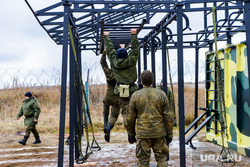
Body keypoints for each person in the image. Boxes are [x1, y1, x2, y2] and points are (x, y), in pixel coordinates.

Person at [127, 70, 174, 167]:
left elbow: (130, 118)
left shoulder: (136, 95)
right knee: (162, 159)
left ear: (141, 81)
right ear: (152, 80)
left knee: (143, 161)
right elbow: (169, 116)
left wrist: (131, 133)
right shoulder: (161, 94)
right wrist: (169, 134)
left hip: (143, 133)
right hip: (159, 133)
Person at [103, 28, 139, 139]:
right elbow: (135, 49)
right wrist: (133, 35)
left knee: (124, 112)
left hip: (121, 90)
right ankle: (131, 132)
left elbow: (110, 50)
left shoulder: (114, 63)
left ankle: (127, 130)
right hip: (133, 89)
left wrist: (106, 36)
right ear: (127, 55)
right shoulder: (131, 60)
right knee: (133, 111)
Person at [101, 47, 120, 142]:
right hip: (117, 97)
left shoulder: (109, 72)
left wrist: (105, 52)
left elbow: (102, 62)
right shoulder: (121, 73)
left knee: (105, 103)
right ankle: (108, 127)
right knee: (114, 116)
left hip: (109, 94)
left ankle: (105, 123)